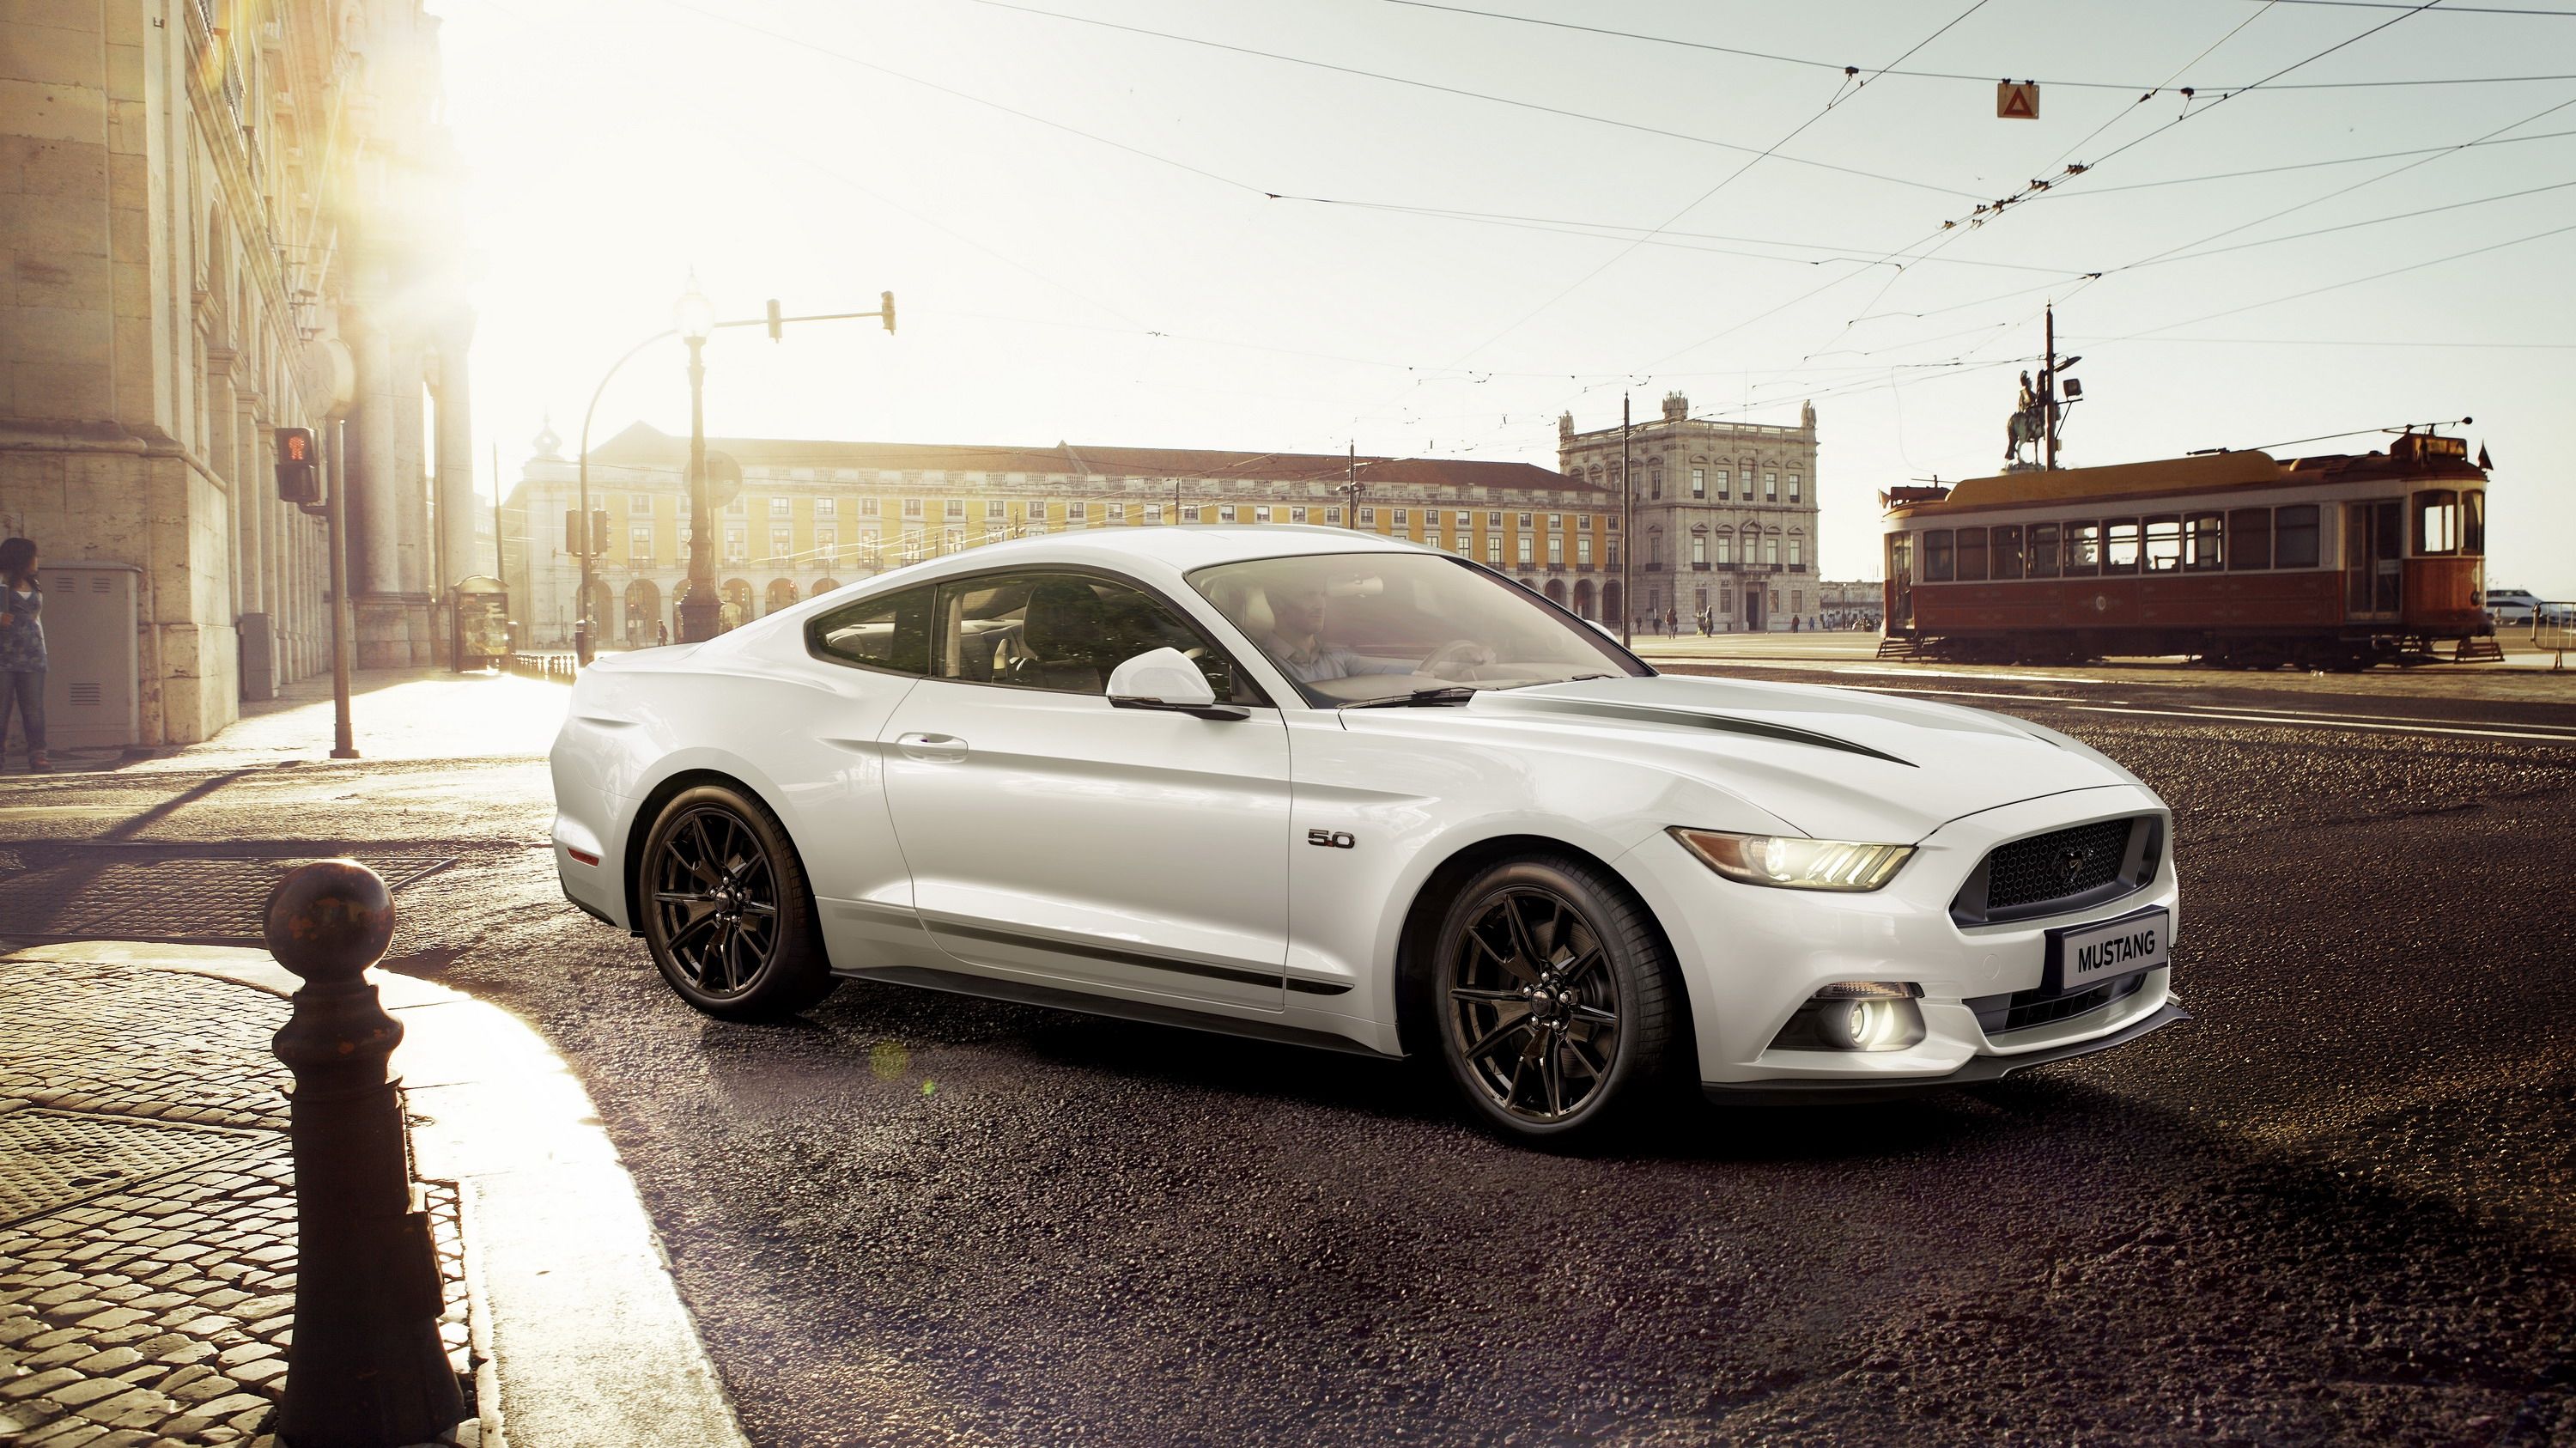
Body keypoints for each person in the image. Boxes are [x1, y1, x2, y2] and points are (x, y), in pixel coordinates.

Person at [1250, 575, 1490, 685]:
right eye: (1308, 595)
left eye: (1322, 595)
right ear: (1278, 604)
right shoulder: (1260, 663)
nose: (1321, 605)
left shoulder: (1338, 658)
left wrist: (1462, 663)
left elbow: (1409, 674)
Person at [0, 538, 46, 773]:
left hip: (33, 654)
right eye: (32, 555)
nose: (36, 560)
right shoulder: (1, 583)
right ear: (21, 558)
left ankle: (39, 756)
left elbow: (36, 619)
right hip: (3, 656)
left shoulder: (34, 584)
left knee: (34, 708)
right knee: (1, 708)